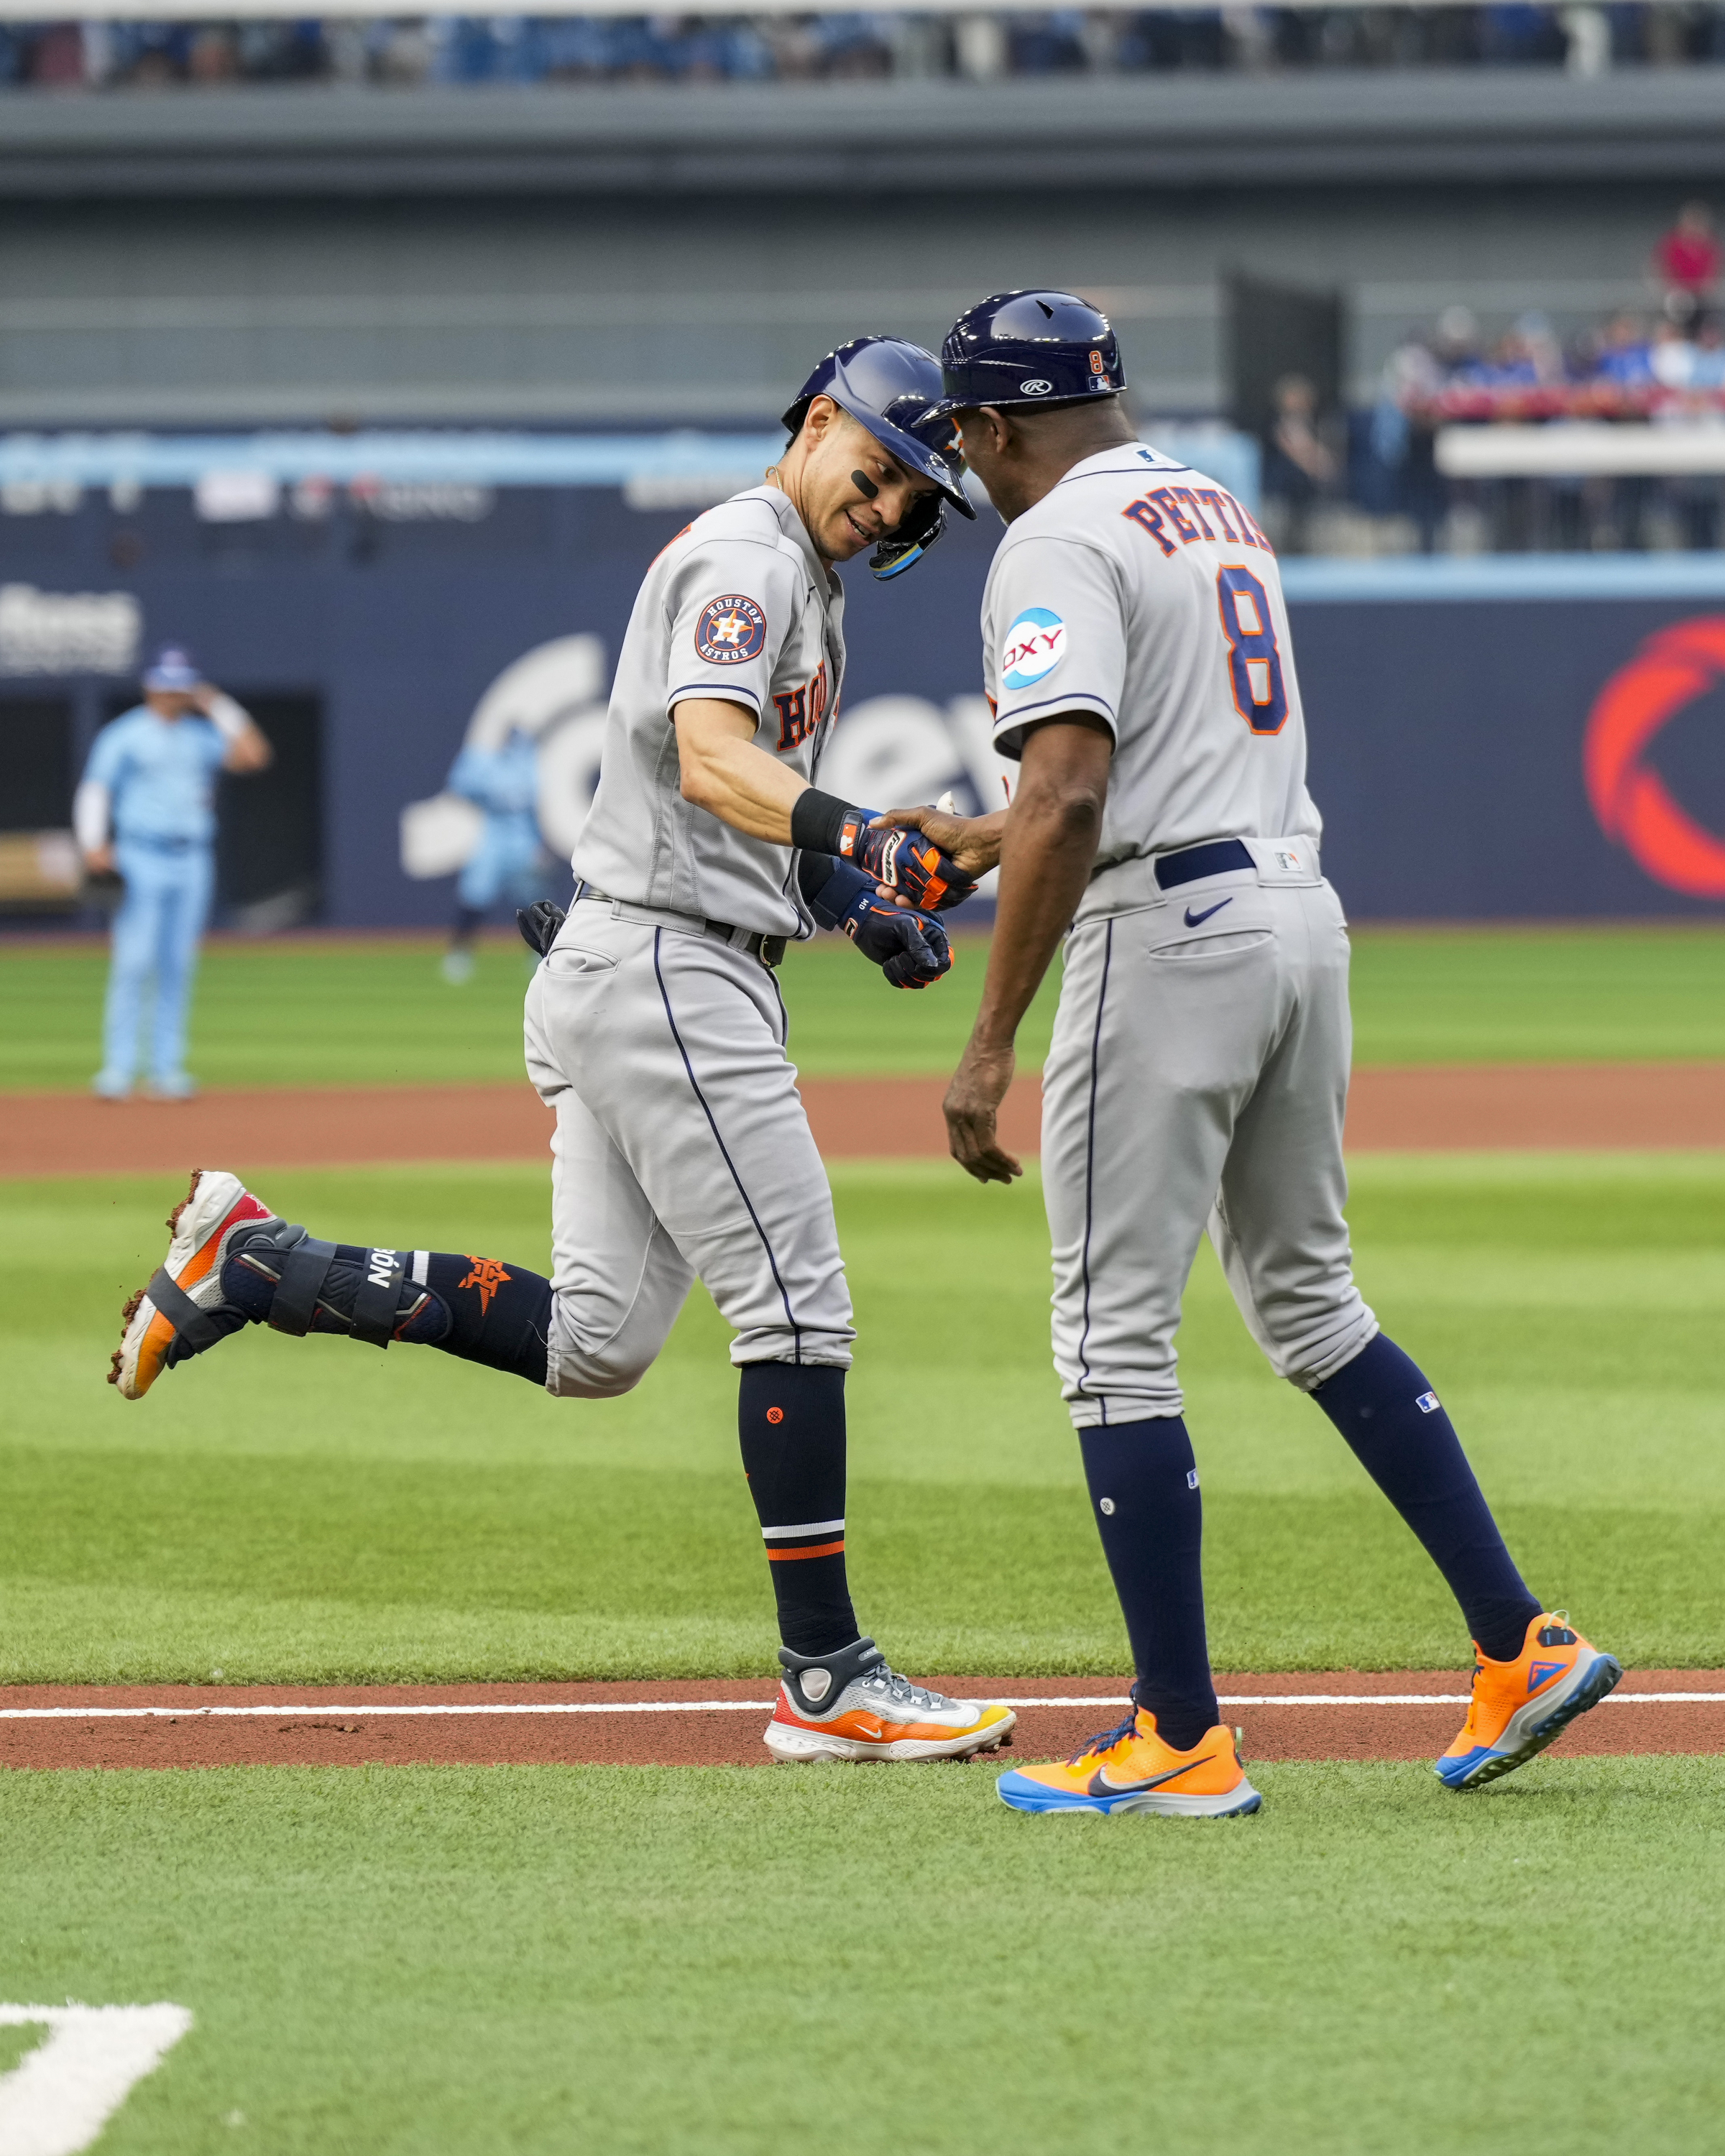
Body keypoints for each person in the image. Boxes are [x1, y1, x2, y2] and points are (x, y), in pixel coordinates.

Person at [107, 338, 1017, 1767]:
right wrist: (860, 838)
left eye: (918, 498)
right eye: (887, 470)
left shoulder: (800, 576)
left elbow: (712, 803)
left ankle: (258, 1262)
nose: (896, 507)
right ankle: (828, 1678)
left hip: (653, 954)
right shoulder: (752, 558)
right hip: (669, 968)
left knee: (597, 1348)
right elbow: (716, 756)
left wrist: (850, 903)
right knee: (798, 1311)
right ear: (822, 420)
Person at [881, 290, 1622, 1818]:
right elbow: (1109, 777)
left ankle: (1179, 1736)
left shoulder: (1053, 539)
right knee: (1311, 1299)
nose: (968, 464)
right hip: (1293, 910)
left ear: (996, 425)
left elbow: (1076, 793)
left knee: (1109, 1337)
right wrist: (992, 832)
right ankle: (1520, 1641)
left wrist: (985, 1042)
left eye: (966, 434)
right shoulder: (1207, 499)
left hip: (1165, 936)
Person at [74, 646, 272, 1100]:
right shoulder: (124, 735)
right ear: (150, 687)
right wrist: (92, 842)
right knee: (134, 961)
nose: (174, 694)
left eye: (181, 686)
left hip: (192, 856)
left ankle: (167, 1069)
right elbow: (96, 787)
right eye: (167, 685)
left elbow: (254, 755)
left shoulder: (200, 735)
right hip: (141, 854)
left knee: (177, 964)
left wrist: (217, 704)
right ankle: (119, 1070)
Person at [441, 724, 548, 984]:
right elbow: (458, 786)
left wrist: (539, 843)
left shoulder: (527, 763)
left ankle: (540, 954)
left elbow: (534, 807)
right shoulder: (485, 762)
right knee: (476, 893)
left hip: (522, 837)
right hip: (494, 833)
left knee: (532, 900)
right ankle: (460, 954)